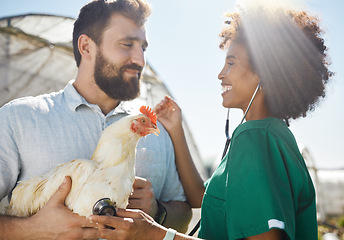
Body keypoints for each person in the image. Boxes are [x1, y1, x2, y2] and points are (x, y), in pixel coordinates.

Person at [88, 4, 333, 240]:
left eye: (232, 62)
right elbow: (202, 197)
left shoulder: (255, 137)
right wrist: (176, 130)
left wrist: (154, 234)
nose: (221, 73)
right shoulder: (273, 135)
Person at [0, 0, 191, 239]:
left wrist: (158, 211)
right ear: (86, 47)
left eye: (143, 47)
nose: (140, 59)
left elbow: (184, 215)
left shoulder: (155, 130)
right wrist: (31, 228)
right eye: (127, 44)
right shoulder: (20, 118)